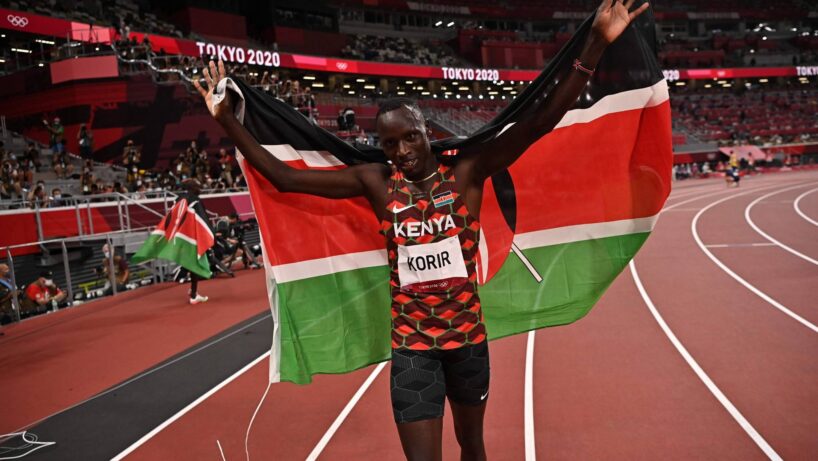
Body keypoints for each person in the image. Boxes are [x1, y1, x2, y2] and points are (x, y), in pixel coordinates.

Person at [193, 1, 646, 458]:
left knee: (472, 445)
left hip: (468, 342)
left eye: (409, 137)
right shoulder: (375, 182)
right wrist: (228, 119)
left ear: (425, 130)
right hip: (413, 348)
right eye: (390, 144)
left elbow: (539, 122)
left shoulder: (467, 171)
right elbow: (286, 178)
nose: (403, 150)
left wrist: (596, 43)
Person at [180, 178, 212, 304]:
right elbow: (202, 219)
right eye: (198, 187)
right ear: (192, 188)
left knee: (191, 264)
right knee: (194, 264)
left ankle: (193, 290)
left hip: (182, 237)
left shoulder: (179, 199)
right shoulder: (195, 201)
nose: (201, 189)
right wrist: (211, 233)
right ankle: (194, 295)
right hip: (192, 237)